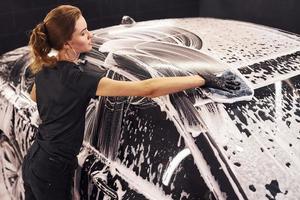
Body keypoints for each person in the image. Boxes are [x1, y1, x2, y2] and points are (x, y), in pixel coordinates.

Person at [21, 5, 240, 200]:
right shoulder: (80, 78)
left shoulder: (46, 68)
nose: (90, 35)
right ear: (68, 43)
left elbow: (34, 96)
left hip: (35, 159)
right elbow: (148, 88)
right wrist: (203, 79)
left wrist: (65, 100)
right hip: (53, 170)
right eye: (83, 32)